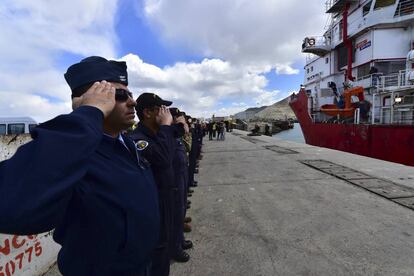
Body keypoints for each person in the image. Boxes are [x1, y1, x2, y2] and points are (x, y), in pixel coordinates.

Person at [0, 56, 160, 275]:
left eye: (130, 93)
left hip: (142, 266)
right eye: (120, 95)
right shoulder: (73, 152)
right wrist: (89, 113)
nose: (132, 102)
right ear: (92, 100)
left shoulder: (127, 143)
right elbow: (13, 204)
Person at [129, 92, 177, 276]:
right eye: (161, 109)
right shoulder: (139, 138)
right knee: (157, 254)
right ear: (148, 113)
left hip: (166, 199)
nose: (166, 113)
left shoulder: (158, 134)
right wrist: (166, 126)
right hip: (154, 207)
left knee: (164, 250)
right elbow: (164, 159)